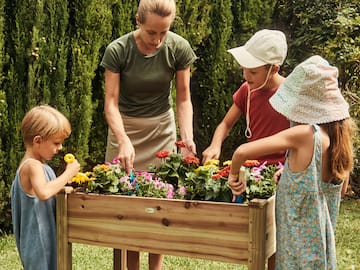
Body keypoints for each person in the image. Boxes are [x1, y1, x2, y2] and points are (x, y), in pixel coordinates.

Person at [228, 55, 356, 269]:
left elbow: (242, 152)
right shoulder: (338, 139)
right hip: (320, 252)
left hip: (295, 252)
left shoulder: (304, 134)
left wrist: (233, 176)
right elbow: (336, 190)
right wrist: (289, 176)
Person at [100, 0, 197, 269]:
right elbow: (110, 102)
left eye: (163, 32)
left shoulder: (178, 47)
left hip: (161, 130)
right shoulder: (118, 50)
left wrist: (186, 138)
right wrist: (122, 139)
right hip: (125, 128)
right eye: (151, 32)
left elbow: (183, 99)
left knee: (159, 205)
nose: (157, 40)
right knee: (124, 205)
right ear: (138, 21)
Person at [202, 29, 290, 165]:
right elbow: (226, 124)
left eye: (253, 72)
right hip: (252, 168)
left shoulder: (292, 94)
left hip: (283, 171)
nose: (246, 76)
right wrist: (215, 145)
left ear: (273, 70)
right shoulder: (247, 90)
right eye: (244, 69)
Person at [10, 105, 80, 270]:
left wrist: (65, 186)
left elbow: (49, 192)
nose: (60, 147)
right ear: (38, 140)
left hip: (47, 237)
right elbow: (44, 192)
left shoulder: (43, 167)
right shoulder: (31, 166)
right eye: (56, 142)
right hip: (37, 242)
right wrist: (68, 173)